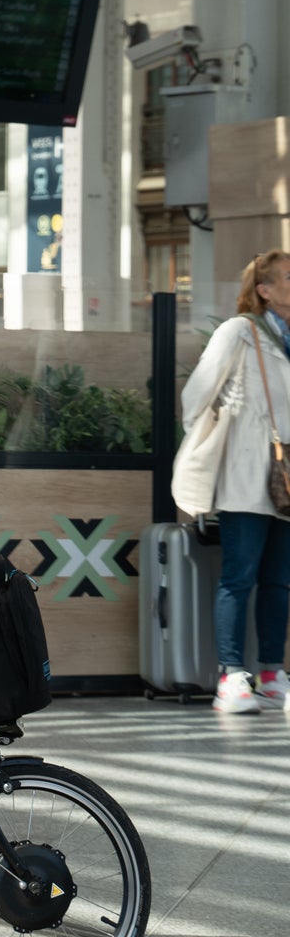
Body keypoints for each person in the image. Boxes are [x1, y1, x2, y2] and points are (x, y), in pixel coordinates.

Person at [180, 250, 290, 713]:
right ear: (264, 289)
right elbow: (197, 394)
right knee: (239, 576)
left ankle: (272, 674)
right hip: (245, 474)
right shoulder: (239, 331)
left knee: (279, 581)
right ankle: (231, 677)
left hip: (286, 478)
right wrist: (210, 448)